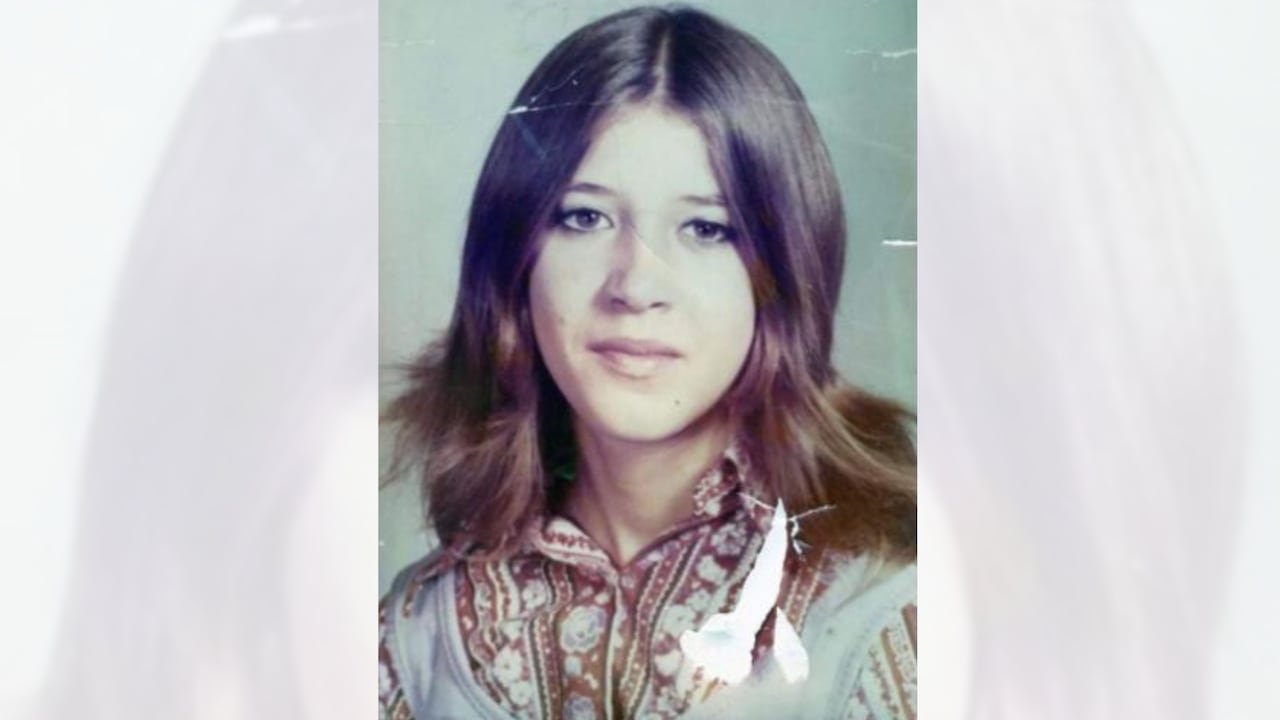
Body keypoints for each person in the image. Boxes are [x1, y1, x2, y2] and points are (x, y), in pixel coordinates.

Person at [379, 5, 916, 719]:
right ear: (515, 261)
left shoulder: (890, 611)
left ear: (784, 274)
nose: (634, 286)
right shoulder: (417, 633)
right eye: (585, 218)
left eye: (705, 228)